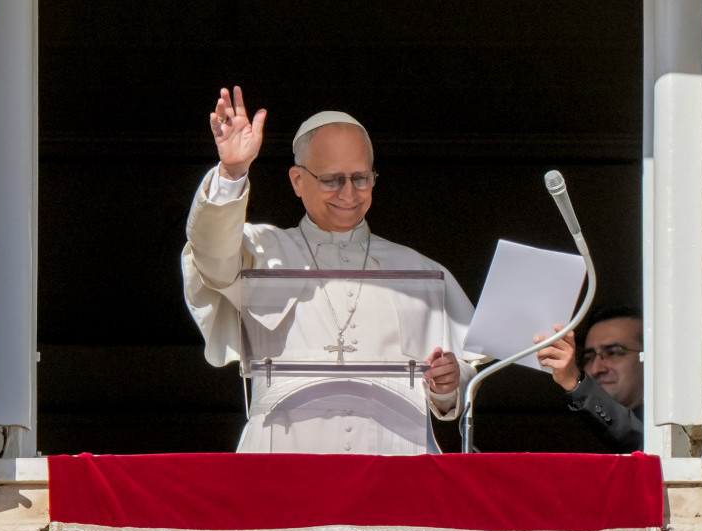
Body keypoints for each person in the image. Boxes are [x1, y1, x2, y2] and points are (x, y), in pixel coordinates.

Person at [182, 86, 480, 454]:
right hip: (286, 458)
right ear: (297, 180)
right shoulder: (259, 252)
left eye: (361, 178)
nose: (349, 194)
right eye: (332, 180)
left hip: (395, 461)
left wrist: (448, 385)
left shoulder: (418, 270)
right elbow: (210, 252)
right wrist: (231, 172)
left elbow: (463, 373)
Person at [535, 307, 644, 452]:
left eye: (613, 353)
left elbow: (638, 438)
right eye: (589, 357)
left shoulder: (667, 427)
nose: (596, 368)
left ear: (648, 357)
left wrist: (575, 380)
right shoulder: (576, 424)